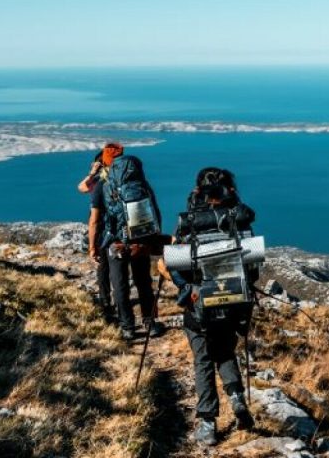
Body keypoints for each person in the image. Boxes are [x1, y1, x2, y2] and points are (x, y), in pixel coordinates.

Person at [169, 167, 258, 446]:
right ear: (229, 189)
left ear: (199, 190)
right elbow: (252, 266)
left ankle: (207, 423)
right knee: (225, 350)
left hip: (200, 303)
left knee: (204, 359)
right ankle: (237, 398)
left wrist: (186, 289)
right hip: (233, 301)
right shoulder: (237, 218)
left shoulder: (191, 220)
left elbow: (176, 265)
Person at [99, 143, 166, 342]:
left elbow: (106, 217)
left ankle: (127, 327)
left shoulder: (106, 187)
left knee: (119, 285)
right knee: (144, 282)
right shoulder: (143, 186)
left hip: (117, 243)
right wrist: (152, 239)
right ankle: (150, 323)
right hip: (141, 243)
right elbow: (155, 213)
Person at [78, 152, 115, 321]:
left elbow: (82, 187)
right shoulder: (118, 180)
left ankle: (106, 303)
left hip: (102, 229)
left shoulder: (100, 183)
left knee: (103, 268)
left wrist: (93, 173)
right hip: (119, 228)